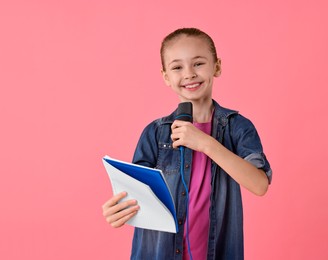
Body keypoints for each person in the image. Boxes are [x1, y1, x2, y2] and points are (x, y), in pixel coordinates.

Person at [102, 27, 272, 260]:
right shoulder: (155, 134)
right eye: (177, 67)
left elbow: (259, 184)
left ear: (217, 66)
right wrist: (118, 211)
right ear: (166, 77)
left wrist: (206, 143)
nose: (189, 74)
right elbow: (137, 197)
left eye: (198, 63)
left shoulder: (237, 127)